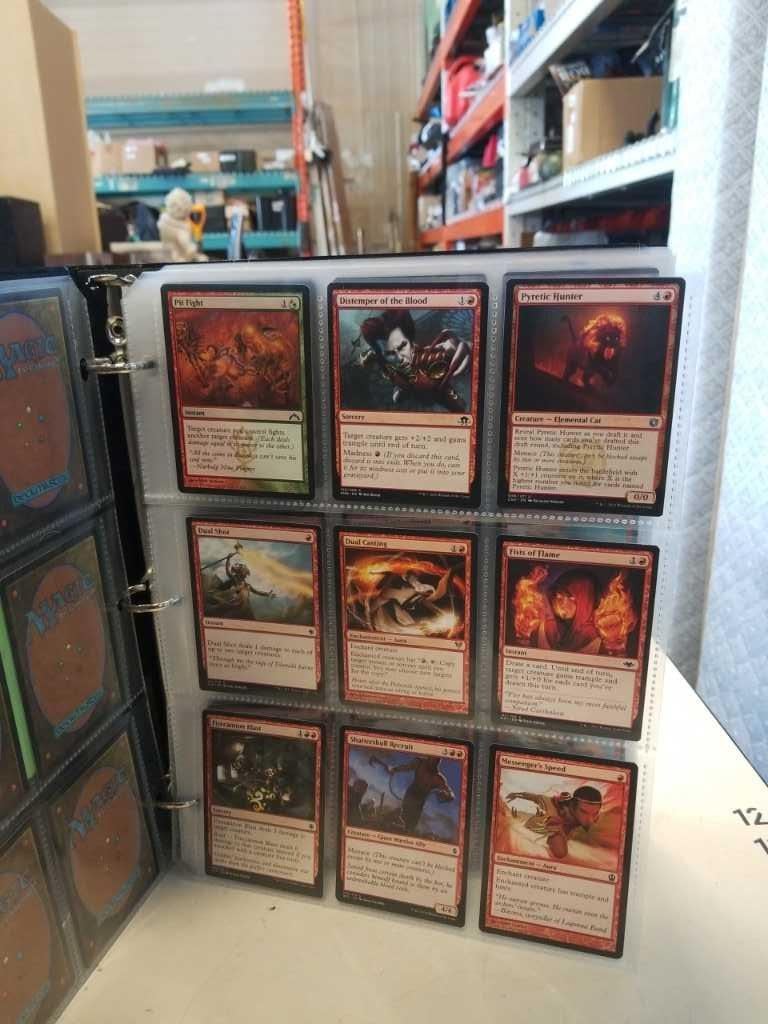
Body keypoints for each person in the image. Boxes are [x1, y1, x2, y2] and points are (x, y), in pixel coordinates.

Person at [357, 309, 470, 412]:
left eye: (402, 346)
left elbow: (451, 345)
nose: (400, 357)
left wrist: (454, 348)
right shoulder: (387, 364)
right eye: (390, 353)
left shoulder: (424, 355)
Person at [505, 785, 603, 860]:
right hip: (529, 830)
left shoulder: (589, 818)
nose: (590, 820)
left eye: (594, 813)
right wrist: (516, 795)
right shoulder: (554, 816)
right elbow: (560, 852)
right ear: (572, 805)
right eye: (584, 812)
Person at [388, 755, 454, 833]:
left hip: (419, 802)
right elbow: (406, 767)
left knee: (411, 824)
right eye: (432, 760)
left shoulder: (438, 778)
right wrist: (394, 769)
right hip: (410, 795)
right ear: (429, 758)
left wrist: (448, 795)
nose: (433, 762)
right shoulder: (420, 763)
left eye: (436, 761)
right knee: (403, 816)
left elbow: (450, 792)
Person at [206, 551, 274, 617]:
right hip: (234, 606)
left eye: (242, 571)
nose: (239, 574)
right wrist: (228, 559)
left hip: (244, 608)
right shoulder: (235, 580)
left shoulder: (247, 585)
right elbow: (228, 571)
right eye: (240, 571)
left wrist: (267, 594)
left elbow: (257, 592)